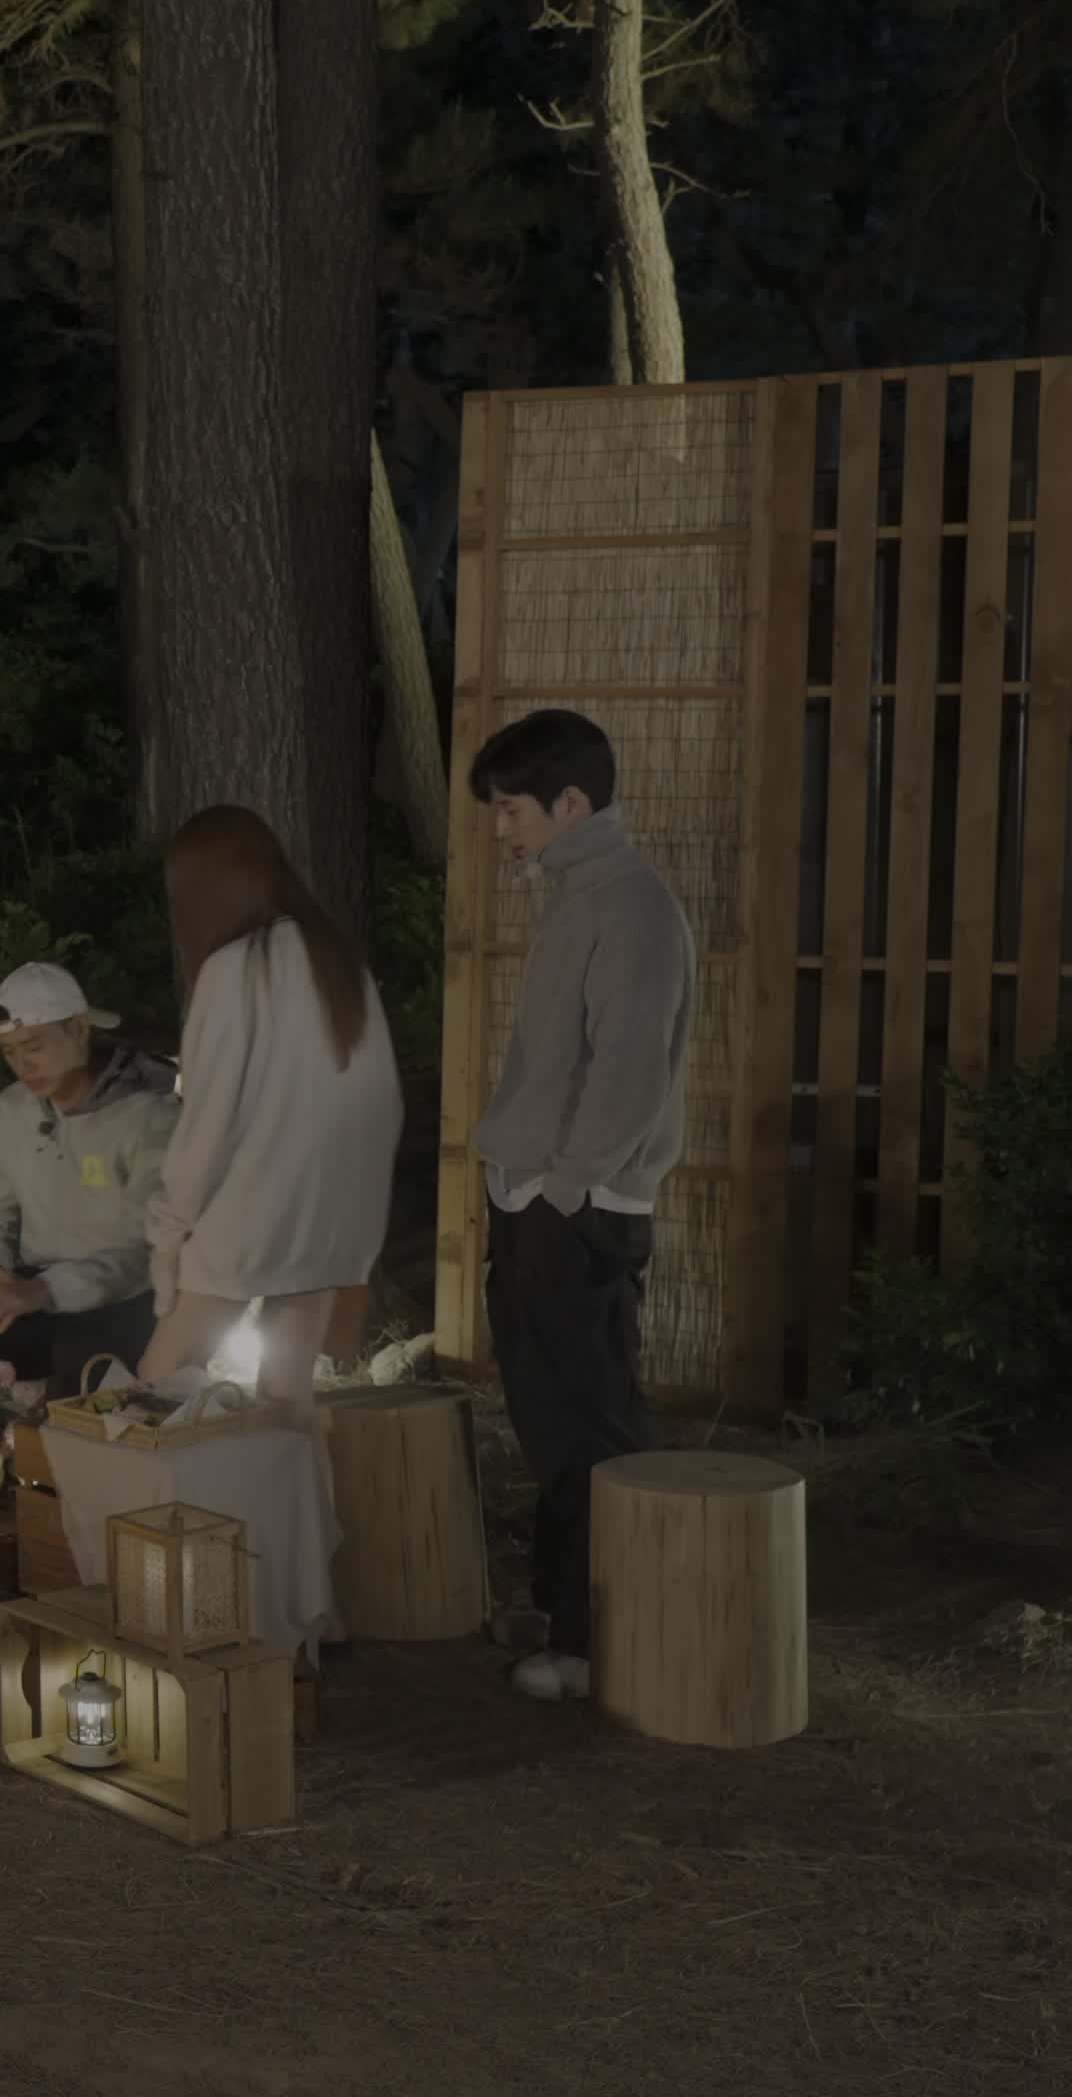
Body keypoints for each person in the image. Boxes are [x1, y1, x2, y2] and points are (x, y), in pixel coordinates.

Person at [467, 710, 691, 1706]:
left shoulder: (632, 905)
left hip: (578, 1202)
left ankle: (602, 1641)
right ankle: (563, 1613)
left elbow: (628, 1073)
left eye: (511, 810)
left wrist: (563, 1189)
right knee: (553, 1424)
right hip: (539, 1194)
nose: (501, 831)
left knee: (592, 1429)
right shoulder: (583, 896)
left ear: (571, 803)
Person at [137, 808, 403, 1429]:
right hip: (333, 1222)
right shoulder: (340, 962)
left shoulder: (232, 970)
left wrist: (169, 1234)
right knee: (287, 1401)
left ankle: (169, 1500)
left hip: (251, 1220)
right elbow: (383, 1102)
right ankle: (298, 1498)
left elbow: (210, 1124)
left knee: (155, 1396)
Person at [0, 962, 181, 1409]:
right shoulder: (10, 1112)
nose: (22, 1065)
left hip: (127, 1300)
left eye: (34, 1046)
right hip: (35, 1293)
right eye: (9, 1052)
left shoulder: (148, 1116)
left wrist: (48, 1290)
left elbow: (146, 1251)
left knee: (80, 1353)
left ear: (79, 1029)